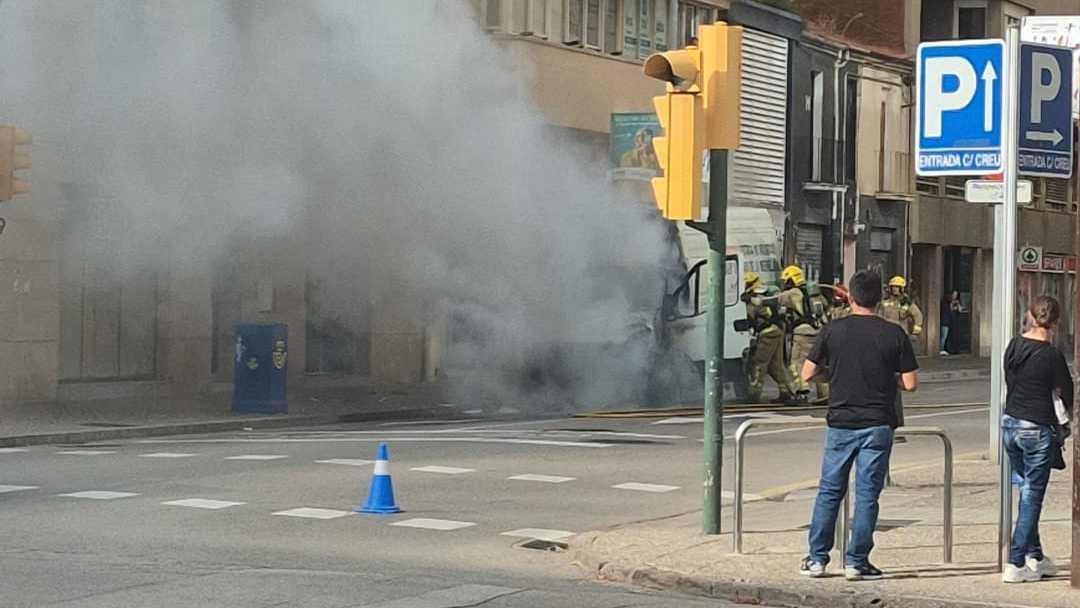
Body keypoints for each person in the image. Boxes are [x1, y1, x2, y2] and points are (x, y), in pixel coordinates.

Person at [798, 270, 918, 581]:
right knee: (867, 494)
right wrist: (885, 379)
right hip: (877, 423)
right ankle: (857, 561)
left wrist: (834, 376)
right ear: (879, 299)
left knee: (829, 491)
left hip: (840, 422)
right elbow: (910, 383)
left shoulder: (832, 330)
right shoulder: (894, 334)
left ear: (850, 297)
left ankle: (816, 559)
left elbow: (807, 374)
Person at [1000, 295, 1073, 583]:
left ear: (1030, 315)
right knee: (1032, 496)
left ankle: (1035, 556)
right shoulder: (1051, 355)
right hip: (1036, 427)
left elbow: (1010, 381)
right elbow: (1066, 391)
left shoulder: (1014, 346)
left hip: (1010, 425)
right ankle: (1015, 562)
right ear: (1055, 323)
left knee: (1026, 493)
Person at [742, 271, 796, 405]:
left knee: (759, 363)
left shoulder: (752, 297)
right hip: (777, 329)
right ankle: (787, 392)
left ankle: (754, 394)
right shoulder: (766, 292)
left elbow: (750, 317)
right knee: (775, 365)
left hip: (767, 332)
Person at [779, 265, 829, 405]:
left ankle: (801, 393)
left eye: (785, 280)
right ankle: (824, 394)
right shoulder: (814, 292)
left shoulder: (793, 293)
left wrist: (751, 298)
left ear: (791, 280)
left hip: (802, 333)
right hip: (818, 331)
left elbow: (775, 300)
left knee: (796, 363)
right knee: (818, 362)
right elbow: (825, 305)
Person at [939, 291, 962, 356]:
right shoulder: (945, 303)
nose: (954, 296)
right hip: (945, 322)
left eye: (956, 295)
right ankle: (941, 349)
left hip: (952, 323)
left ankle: (948, 349)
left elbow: (960, 309)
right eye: (953, 295)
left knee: (949, 336)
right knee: (944, 336)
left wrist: (957, 305)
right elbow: (949, 309)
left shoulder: (956, 302)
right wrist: (952, 304)